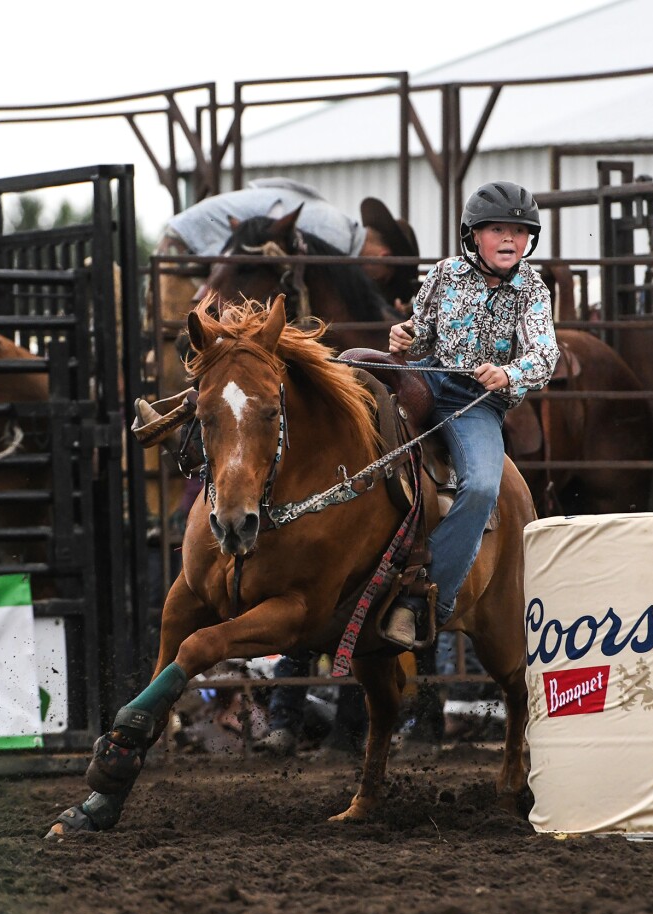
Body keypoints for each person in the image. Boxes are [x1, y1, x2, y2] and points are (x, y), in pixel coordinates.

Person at [384, 181, 559, 649]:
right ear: (472, 235)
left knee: (481, 485)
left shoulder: (533, 291)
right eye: (497, 229)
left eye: (520, 232)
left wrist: (508, 372)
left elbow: (545, 357)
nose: (509, 239)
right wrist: (404, 337)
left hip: (475, 404)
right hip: (424, 380)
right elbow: (421, 337)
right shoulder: (443, 274)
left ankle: (427, 602)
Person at [153, 178, 417, 327]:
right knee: (197, 329)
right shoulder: (333, 235)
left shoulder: (334, 226)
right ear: (383, 256)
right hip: (189, 243)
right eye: (382, 279)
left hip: (192, 239)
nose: (376, 282)